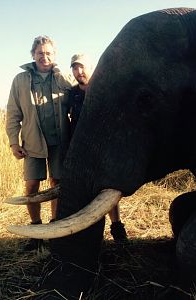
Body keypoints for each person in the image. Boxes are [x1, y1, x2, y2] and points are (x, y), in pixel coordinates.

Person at [6, 35, 74, 250]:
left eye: (48, 53)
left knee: (57, 184)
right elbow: (13, 113)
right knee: (32, 185)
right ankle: (36, 229)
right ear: (33, 55)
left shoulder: (62, 77)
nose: (44, 57)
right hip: (32, 142)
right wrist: (13, 142)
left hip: (59, 142)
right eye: (40, 53)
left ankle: (55, 227)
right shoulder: (20, 80)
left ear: (54, 55)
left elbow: (77, 101)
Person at [69, 53, 128, 242]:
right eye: (75, 68)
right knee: (84, 192)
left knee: (107, 191)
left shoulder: (104, 89)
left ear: (91, 67)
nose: (79, 72)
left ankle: (117, 229)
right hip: (81, 151)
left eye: (82, 67)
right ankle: (88, 236)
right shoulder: (72, 94)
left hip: (104, 150)